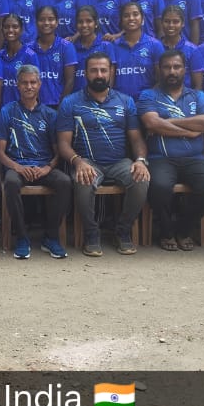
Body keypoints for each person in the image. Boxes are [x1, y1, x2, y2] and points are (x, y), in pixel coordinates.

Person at [56, 51, 150, 256]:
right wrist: (77, 162)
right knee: (83, 180)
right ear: (85, 73)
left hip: (119, 162)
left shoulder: (126, 101)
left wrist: (141, 160)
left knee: (141, 178)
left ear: (111, 72)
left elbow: (136, 139)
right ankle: (91, 234)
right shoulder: (70, 102)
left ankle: (122, 231)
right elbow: (63, 143)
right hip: (87, 162)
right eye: (94, 70)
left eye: (103, 70)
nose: (99, 75)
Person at [138, 50, 204, 252]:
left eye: (176, 67)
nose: (172, 71)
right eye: (167, 67)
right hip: (160, 158)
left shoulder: (197, 95)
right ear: (159, 70)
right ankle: (166, 232)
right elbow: (151, 122)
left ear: (185, 70)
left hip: (195, 158)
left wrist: (166, 123)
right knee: (159, 187)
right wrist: (189, 131)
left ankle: (183, 230)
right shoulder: (149, 95)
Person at [0, 65, 71, 260]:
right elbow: (0, 152)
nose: (29, 86)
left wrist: (47, 168)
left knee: (64, 182)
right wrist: (18, 167)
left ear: (39, 85)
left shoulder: (50, 114)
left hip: (43, 167)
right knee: (11, 183)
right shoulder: (7, 111)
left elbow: (58, 151)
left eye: (33, 82)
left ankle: (51, 237)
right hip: (17, 166)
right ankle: (22, 238)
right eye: (24, 83)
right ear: (17, 85)